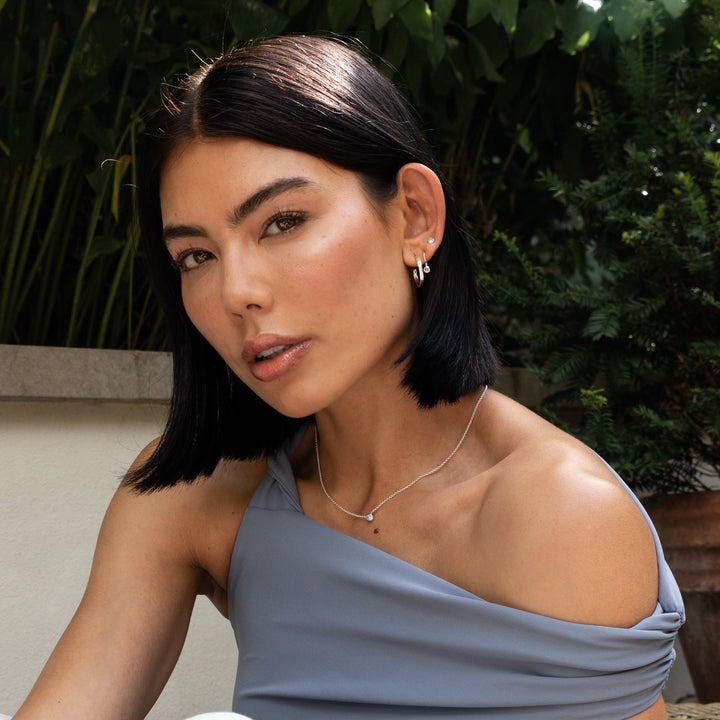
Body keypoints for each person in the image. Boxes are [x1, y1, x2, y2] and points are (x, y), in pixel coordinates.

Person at [13, 35, 683, 720]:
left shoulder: (560, 515)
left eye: (282, 222)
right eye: (195, 257)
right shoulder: (197, 496)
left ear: (414, 215)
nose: (236, 292)